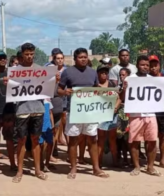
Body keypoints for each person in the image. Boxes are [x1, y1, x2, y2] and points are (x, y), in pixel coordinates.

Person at [58, 48, 108, 179]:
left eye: (85, 57)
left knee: (92, 139)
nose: (84, 59)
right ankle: (73, 168)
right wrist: (65, 92)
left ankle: (96, 168)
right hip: (73, 111)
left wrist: (108, 91)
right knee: (73, 139)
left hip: (90, 111)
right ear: (75, 59)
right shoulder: (67, 72)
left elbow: (96, 87)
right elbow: (59, 90)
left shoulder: (92, 72)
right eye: (81, 57)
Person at [10, 43, 49, 183]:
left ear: (34, 53)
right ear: (22, 54)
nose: (29, 56)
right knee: (21, 140)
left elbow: (48, 87)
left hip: (38, 108)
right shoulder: (15, 71)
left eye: (31, 54)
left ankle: (38, 170)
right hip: (22, 110)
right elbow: (10, 87)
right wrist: (7, 81)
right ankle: (19, 171)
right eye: (27, 54)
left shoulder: (41, 70)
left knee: (35, 139)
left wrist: (54, 80)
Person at [123, 56, 161, 176]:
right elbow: (124, 98)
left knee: (152, 141)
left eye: (147, 65)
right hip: (136, 115)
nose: (145, 67)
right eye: (142, 65)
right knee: (134, 141)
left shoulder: (153, 79)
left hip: (150, 114)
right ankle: (137, 167)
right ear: (137, 65)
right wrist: (124, 89)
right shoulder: (130, 79)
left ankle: (150, 167)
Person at [149, 55, 164, 169]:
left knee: (163, 135)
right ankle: (150, 160)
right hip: (149, 111)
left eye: (155, 65)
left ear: (159, 66)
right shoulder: (145, 79)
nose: (153, 68)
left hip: (163, 110)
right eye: (151, 66)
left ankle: (162, 159)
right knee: (149, 136)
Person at [96, 64, 120, 167]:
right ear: (98, 74)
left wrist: (116, 107)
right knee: (100, 139)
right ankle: (99, 162)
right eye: (101, 72)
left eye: (105, 73)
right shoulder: (94, 86)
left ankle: (115, 161)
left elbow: (119, 98)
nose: (103, 74)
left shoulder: (112, 85)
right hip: (100, 115)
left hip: (112, 115)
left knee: (112, 139)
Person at [117, 67, 132, 166]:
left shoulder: (133, 87)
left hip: (130, 114)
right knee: (120, 136)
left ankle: (130, 158)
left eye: (124, 75)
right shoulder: (118, 87)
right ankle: (122, 158)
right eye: (120, 75)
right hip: (120, 114)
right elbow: (118, 99)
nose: (122, 77)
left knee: (129, 137)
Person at [40, 98, 55, 172]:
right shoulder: (37, 100)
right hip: (40, 127)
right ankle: (40, 163)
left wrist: (52, 125)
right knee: (40, 145)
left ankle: (47, 163)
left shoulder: (47, 99)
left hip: (48, 126)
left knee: (50, 143)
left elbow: (50, 112)